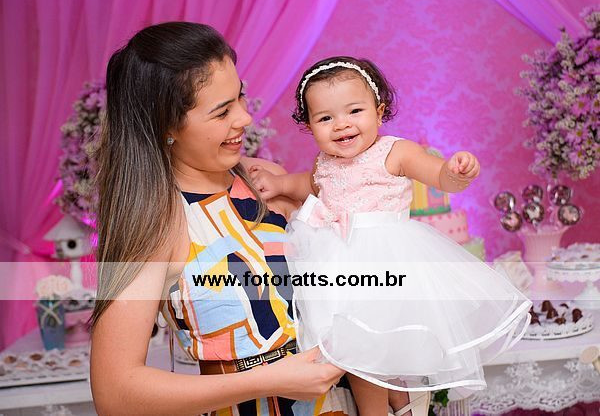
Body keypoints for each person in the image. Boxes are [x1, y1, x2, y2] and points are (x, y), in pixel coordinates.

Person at [89, 23, 358, 416]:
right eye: (222, 112)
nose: (245, 118)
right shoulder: (158, 223)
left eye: (240, 97)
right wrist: (270, 379)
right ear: (166, 125)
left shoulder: (263, 179)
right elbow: (114, 394)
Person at [249, 56, 533, 416]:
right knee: (352, 349)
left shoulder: (396, 151)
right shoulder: (324, 162)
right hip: (336, 263)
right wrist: (279, 184)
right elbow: (309, 184)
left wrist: (454, 172)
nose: (342, 124)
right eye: (325, 118)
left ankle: (389, 404)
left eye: (355, 111)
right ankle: (399, 401)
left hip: (385, 260)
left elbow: (438, 175)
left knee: (369, 344)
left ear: (379, 111)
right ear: (309, 125)